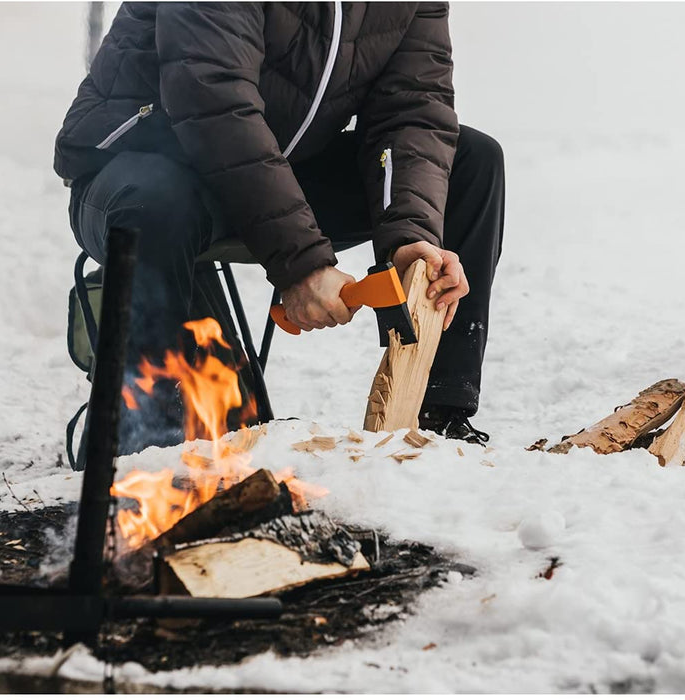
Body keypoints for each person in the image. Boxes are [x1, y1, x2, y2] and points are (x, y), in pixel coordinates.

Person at [55, 2, 505, 448]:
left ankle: (437, 422)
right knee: (157, 199)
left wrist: (410, 239)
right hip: (142, 168)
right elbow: (215, 102)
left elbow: (411, 112)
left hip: (277, 170)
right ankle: (154, 430)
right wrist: (302, 263)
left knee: (472, 162)